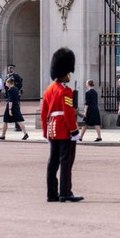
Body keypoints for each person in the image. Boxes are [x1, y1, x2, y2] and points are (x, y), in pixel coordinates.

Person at [42, 48, 83, 203]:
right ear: (65, 73)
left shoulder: (48, 90)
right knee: (66, 161)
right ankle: (65, 192)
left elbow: (44, 113)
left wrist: (45, 132)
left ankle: (51, 193)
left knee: (53, 162)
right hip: (64, 129)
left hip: (52, 129)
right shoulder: (66, 91)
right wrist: (74, 130)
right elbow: (68, 113)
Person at [6, 64, 24, 132]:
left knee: (16, 112)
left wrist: (16, 90)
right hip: (9, 93)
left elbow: (20, 84)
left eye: (11, 68)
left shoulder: (16, 76)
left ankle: (18, 127)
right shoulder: (8, 76)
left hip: (14, 93)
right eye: (9, 68)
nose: (10, 70)